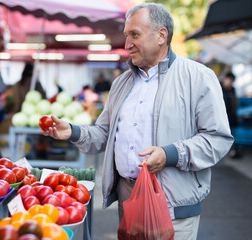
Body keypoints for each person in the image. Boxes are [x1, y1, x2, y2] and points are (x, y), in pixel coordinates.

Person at [40, 3, 234, 240]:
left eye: (135, 35)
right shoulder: (122, 83)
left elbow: (217, 139)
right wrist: (72, 132)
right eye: (126, 35)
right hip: (129, 202)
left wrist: (169, 154)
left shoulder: (198, 77)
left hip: (174, 209)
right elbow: (105, 134)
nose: (127, 44)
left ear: (161, 35)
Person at [221, 72, 241, 158]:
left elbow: (234, 103)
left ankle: (232, 151)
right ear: (225, 79)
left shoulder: (232, 90)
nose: (230, 82)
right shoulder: (219, 88)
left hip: (231, 116)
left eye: (232, 81)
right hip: (222, 116)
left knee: (231, 134)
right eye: (229, 80)